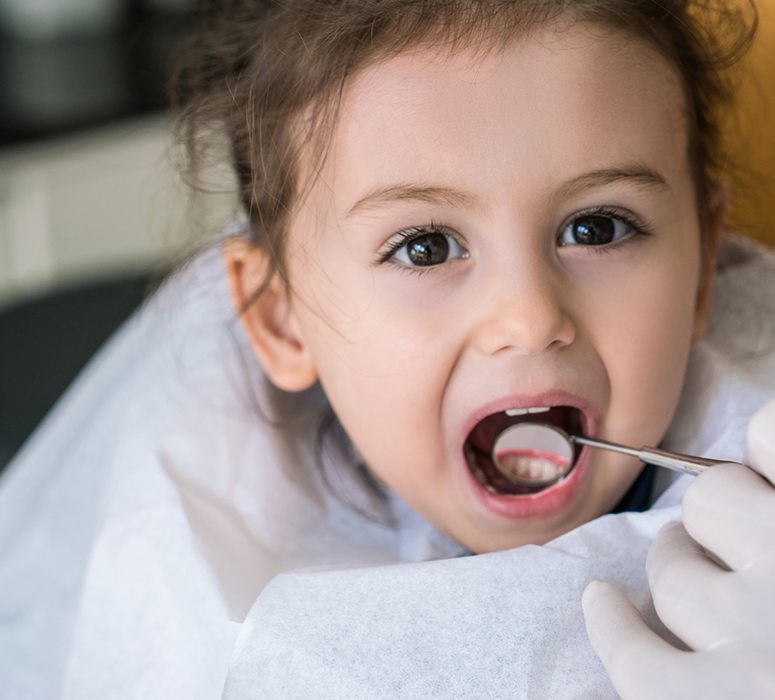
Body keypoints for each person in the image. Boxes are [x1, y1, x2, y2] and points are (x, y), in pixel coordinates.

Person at [1, 0, 774, 697]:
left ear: (703, 268)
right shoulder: (194, 571)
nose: (528, 317)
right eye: (426, 246)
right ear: (281, 320)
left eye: (596, 227)